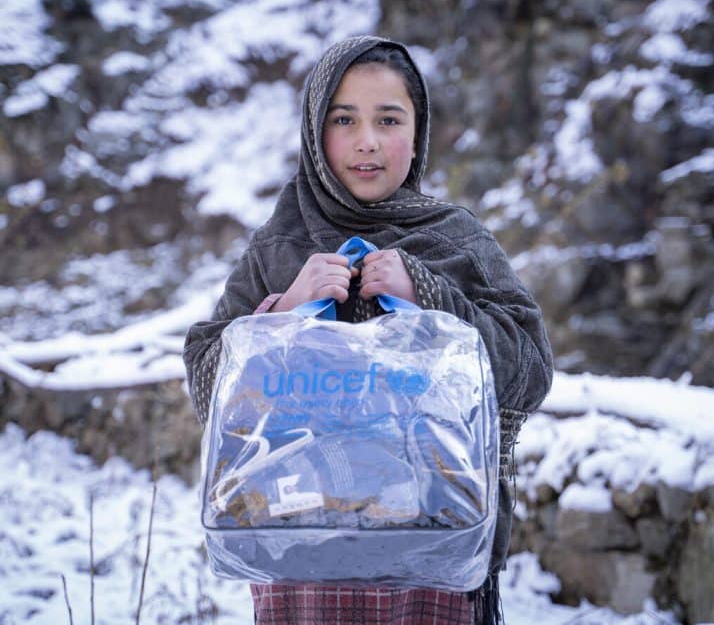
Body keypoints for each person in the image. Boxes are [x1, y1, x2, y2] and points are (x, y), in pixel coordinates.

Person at [183, 35, 553, 625]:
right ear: (314, 130)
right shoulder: (278, 247)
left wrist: (430, 296)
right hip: (300, 558)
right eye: (344, 119)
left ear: (418, 131)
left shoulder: (457, 242)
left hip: (433, 557)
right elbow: (208, 386)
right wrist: (281, 314)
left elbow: (530, 372)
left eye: (389, 119)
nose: (367, 141)